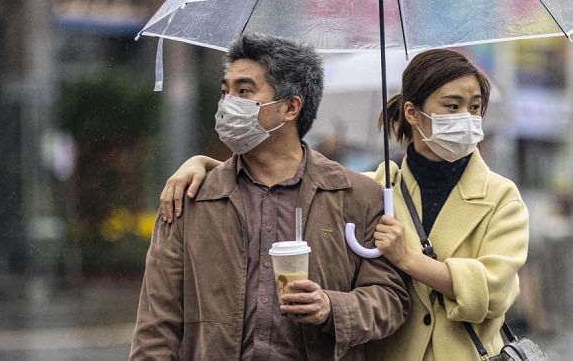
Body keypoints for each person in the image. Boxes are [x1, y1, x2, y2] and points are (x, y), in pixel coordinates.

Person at [160, 49, 529, 361]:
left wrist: (407, 259)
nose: (466, 117)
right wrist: (203, 166)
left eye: (475, 107)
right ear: (414, 113)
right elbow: (289, 174)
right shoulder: (374, 189)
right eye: (453, 105)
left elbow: (493, 292)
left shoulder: (501, 197)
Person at [131, 33, 409, 361]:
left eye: (244, 91)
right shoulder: (189, 197)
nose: (227, 103)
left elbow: (391, 299)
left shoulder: (357, 196)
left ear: (290, 107)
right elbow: (156, 324)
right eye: (225, 91)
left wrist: (331, 307)